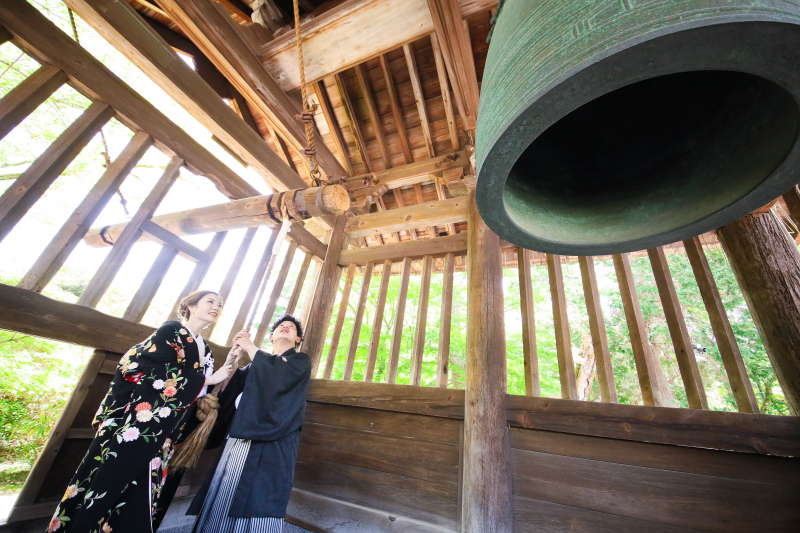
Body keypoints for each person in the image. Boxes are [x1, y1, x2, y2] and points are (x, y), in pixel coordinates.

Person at [48, 290, 241, 533]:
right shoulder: (171, 331)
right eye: (210, 301)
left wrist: (226, 366)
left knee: (142, 491)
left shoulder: (207, 349)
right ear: (190, 306)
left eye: (220, 304)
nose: (216, 307)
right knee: (109, 483)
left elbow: (202, 388)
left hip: (166, 428)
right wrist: (207, 378)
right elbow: (139, 367)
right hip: (136, 424)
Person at [188, 315, 312, 533]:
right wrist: (234, 360)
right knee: (228, 486)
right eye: (280, 326)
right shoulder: (255, 365)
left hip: (277, 437)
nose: (285, 327)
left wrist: (249, 346)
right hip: (240, 435)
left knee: (262, 492)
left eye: (291, 327)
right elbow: (230, 390)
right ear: (271, 337)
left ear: (298, 340)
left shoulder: (300, 362)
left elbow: (278, 373)